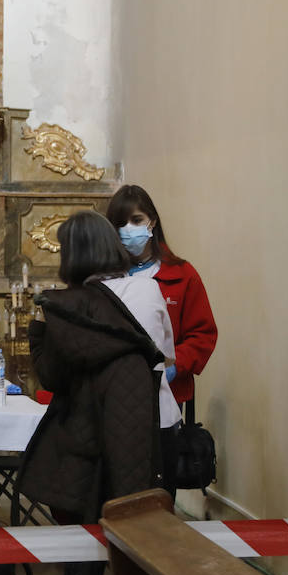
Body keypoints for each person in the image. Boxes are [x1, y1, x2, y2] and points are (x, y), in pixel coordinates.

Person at [18, 210, 165, 575]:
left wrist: (37, 334)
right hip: (135, 437)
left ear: (73, 253)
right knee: (136, 540)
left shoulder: (66, 308)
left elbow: (56, 377)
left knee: (80, 548)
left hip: (81, 444)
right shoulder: (140, 294)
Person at [105, 183, 218, 495]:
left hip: (164, 395)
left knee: (157, 484)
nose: (129, 230)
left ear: (152, 222)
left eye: (137, 220)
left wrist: (174, 365)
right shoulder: (106, 276)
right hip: (115, 394)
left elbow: (203, 333)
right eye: (121, 224)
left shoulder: (182, 274)